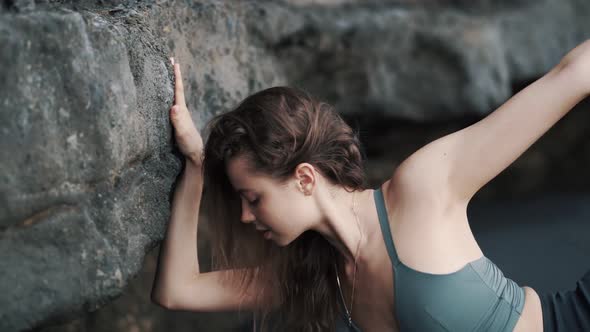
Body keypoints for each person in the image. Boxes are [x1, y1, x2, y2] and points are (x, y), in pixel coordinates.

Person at [151, 39, 590, 332]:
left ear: (304, 178)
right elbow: (177, 290)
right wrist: (195, 166)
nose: (247, 216)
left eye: (253, 197)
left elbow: (571, 75)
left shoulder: (422, 189)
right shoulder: (314, 276)